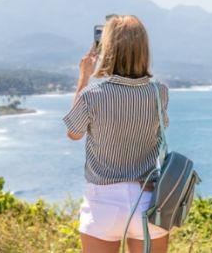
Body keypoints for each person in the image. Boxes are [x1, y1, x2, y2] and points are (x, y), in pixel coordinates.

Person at [63, 15, 170, 253]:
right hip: (148, 199)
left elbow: (73, 132)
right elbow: (160, 128)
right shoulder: (159, 92)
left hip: (102, 202)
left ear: (108, 48)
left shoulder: (93, 94)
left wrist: (84, 77)